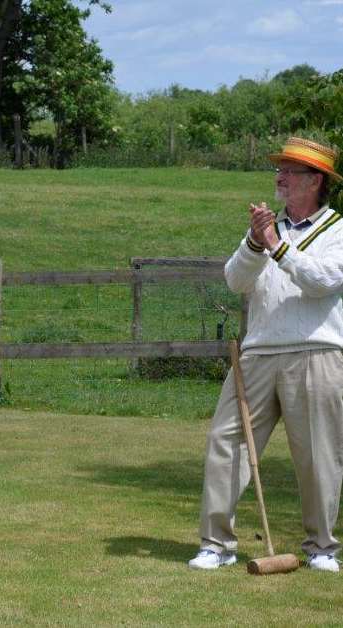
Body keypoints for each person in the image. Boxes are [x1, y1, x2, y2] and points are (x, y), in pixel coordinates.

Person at [189, 137, 343, 572]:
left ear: (315, 181)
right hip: (257, 353)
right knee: (226, 441)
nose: (280, 176)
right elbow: (235, 281)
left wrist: (276, 246)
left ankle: (321, 548)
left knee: (318, 453)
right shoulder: (266, 228)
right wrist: (256, 245)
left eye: (290, 171)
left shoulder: (338, 229)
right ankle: (215, 545)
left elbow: (323, 280)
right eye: (280, 169)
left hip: (318, 352)